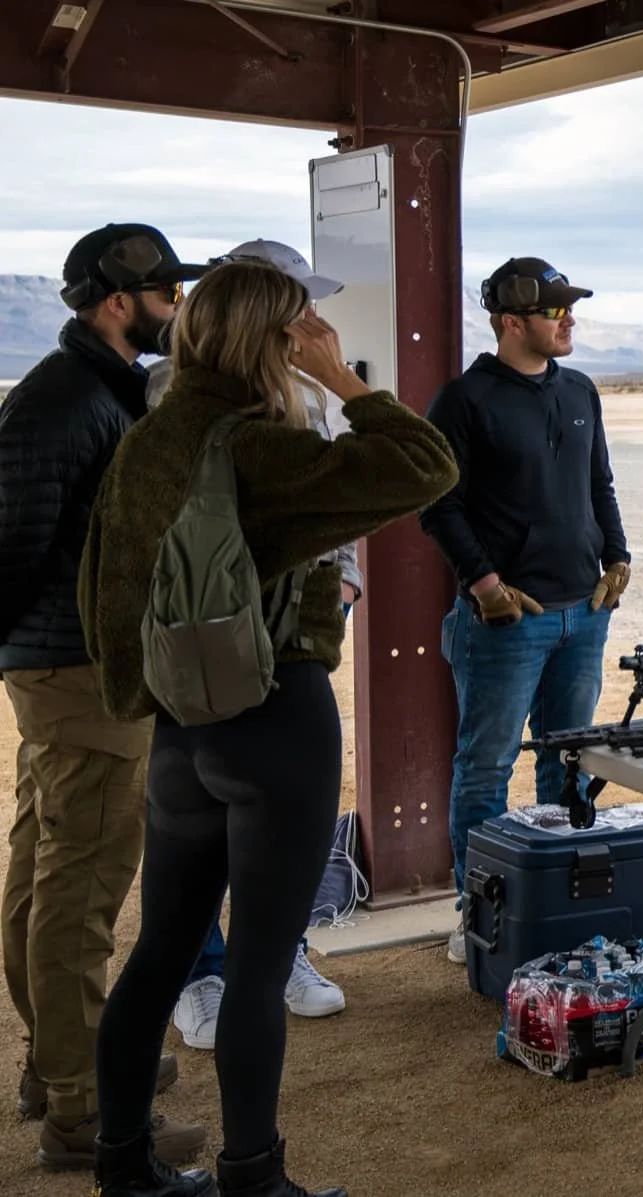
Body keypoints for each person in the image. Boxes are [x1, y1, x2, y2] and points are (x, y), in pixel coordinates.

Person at [79, 260, 458, 1197]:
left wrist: (151, 700)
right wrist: (343, 380)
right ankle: (254, 1178)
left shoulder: (152, 437)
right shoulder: (260, 446)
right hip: (275, 717)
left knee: (160, 949)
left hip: (180, 731)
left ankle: (122, 1165)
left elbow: (106, 590)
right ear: (278, 339)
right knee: (258, 964)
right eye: (305, 327)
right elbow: (426, 465)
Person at [0, 223, 207, 1171]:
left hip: (64, 668)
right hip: (78, 673)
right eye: (167, 294)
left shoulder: (95, 389)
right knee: (79, 890)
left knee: (45, 869)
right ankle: (82, 1110)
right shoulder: (66, 400)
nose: (176, 309)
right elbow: (15, 541)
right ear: (120, 302)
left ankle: (62, 1061)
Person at [146, 241, 353, 1049]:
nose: (311, 319)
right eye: (295, 301)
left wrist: (343, 586)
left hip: (292, 647)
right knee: (197, 831)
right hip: (203, 649)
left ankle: (281, 950)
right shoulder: (172, 399)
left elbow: (343, 506)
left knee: (285, 828)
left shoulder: (305, 398)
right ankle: (201, 972)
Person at [418, 257, 630, 965]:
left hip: (583, 613)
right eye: (555, 310)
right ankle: (477, 914)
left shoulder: (580, 391)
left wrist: (618, 558)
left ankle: (560, 899)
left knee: (567, 762)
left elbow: (598, 480)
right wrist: (485, 586)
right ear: (512, 322)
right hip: (505, 623)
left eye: (570, 308)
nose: (569, 320)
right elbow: (438, 506)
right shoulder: (465, 401)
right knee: (486, 767)